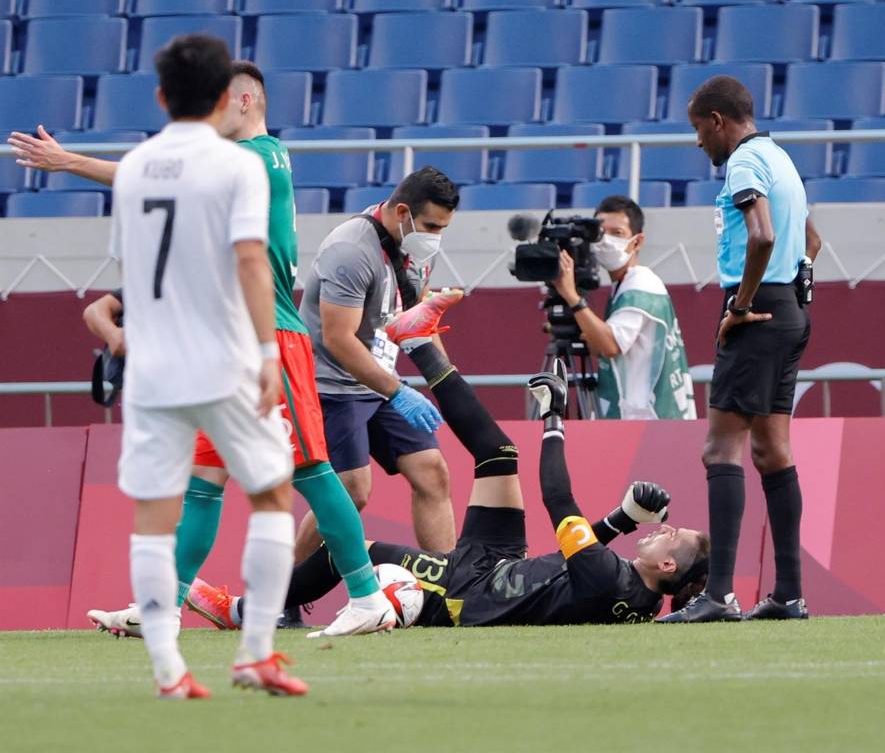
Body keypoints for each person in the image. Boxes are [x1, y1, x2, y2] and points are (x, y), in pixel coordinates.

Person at [39, 61, 399, 640]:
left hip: (273, 343)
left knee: (310, 467)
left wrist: (71, 162)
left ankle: (367, 595)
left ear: (245, 100)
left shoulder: (259, 157)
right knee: (204, 480)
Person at [187, 338, 709, 629]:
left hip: (468, 592)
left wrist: (554, 419)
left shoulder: (610, 579)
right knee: (498, 455)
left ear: (666, 566)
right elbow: (580, 558)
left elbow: (559, 499)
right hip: (505, 564)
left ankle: (244, 612)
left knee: (349, 547)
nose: (666, 530)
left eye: (673, 536)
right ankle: (424, 342)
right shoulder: (639, 602)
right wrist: (621, 520)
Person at [108, 34, 304, 697]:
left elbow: (131, 271)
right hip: (220, 359)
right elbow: (251, 259)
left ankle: (168, 668)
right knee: (273, 491)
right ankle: (254, 653)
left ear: (162, 96)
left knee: (154, 516)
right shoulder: (235, 166)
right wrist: (265, 350)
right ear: (226, 97)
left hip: (154, 370)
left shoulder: (134, 166)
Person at [660, 75, 816, 623]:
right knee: (773, 451)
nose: (698, 142)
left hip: (757, 313)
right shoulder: (782, 159)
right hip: (792, 312)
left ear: (718, 121)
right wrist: (797, 291)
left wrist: (741, 306)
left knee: (718, 451)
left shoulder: (745, 163)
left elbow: (763, 235)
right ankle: (789, 594)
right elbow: (810, 242)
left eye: (699, 129)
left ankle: (719, 594)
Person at [297, 166, 462, 560]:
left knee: (433, 473)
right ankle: (283, 591)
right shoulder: (350, 250)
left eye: (442, 228)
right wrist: (399, 392)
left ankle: (454, 591)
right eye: (431, 226)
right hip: (332, 384)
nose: (435, 237)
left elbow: (421, 313)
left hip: (380, 381)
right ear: (402, 212)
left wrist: (445, 380)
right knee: (351, 491)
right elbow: (338, 340)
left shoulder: (417, 249)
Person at [550, 195, 696, 420]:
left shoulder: (640, 286)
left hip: (649, 421)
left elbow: (610, 345)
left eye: (617, 233)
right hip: (644, 419)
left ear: (636, 242)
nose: (606, 240)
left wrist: (570, 295)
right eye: (601, 233)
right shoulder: (624, 284)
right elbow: (601, 346)